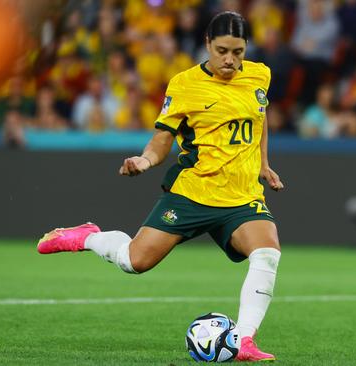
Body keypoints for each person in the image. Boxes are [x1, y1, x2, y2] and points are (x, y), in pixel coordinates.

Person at [36, 12, 284, 362]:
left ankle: (243, 341)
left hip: (242, 196)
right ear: (208, 45)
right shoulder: (184, 85)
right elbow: (162, 140)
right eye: (223, 50)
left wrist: (263, 164)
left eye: (239, 52)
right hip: (194, 192)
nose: (231, 60)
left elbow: (260, 118)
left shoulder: (260, 75)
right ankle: (87, 236)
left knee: (267, 252)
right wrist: (145, 161)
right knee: (134, 261)